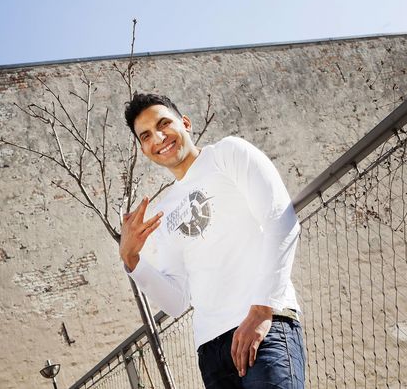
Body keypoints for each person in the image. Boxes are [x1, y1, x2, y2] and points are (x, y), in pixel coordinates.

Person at [120, 93, 305, 388]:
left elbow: (281, 222)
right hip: (211, 352)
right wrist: (132, 260)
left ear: (185, 123)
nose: (158, 137)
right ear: (144, 150)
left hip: (264, 324)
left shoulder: (227, 154)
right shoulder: (164, 211)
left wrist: (261, 309)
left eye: (164, 124)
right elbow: (178, 301)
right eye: (146, 135)